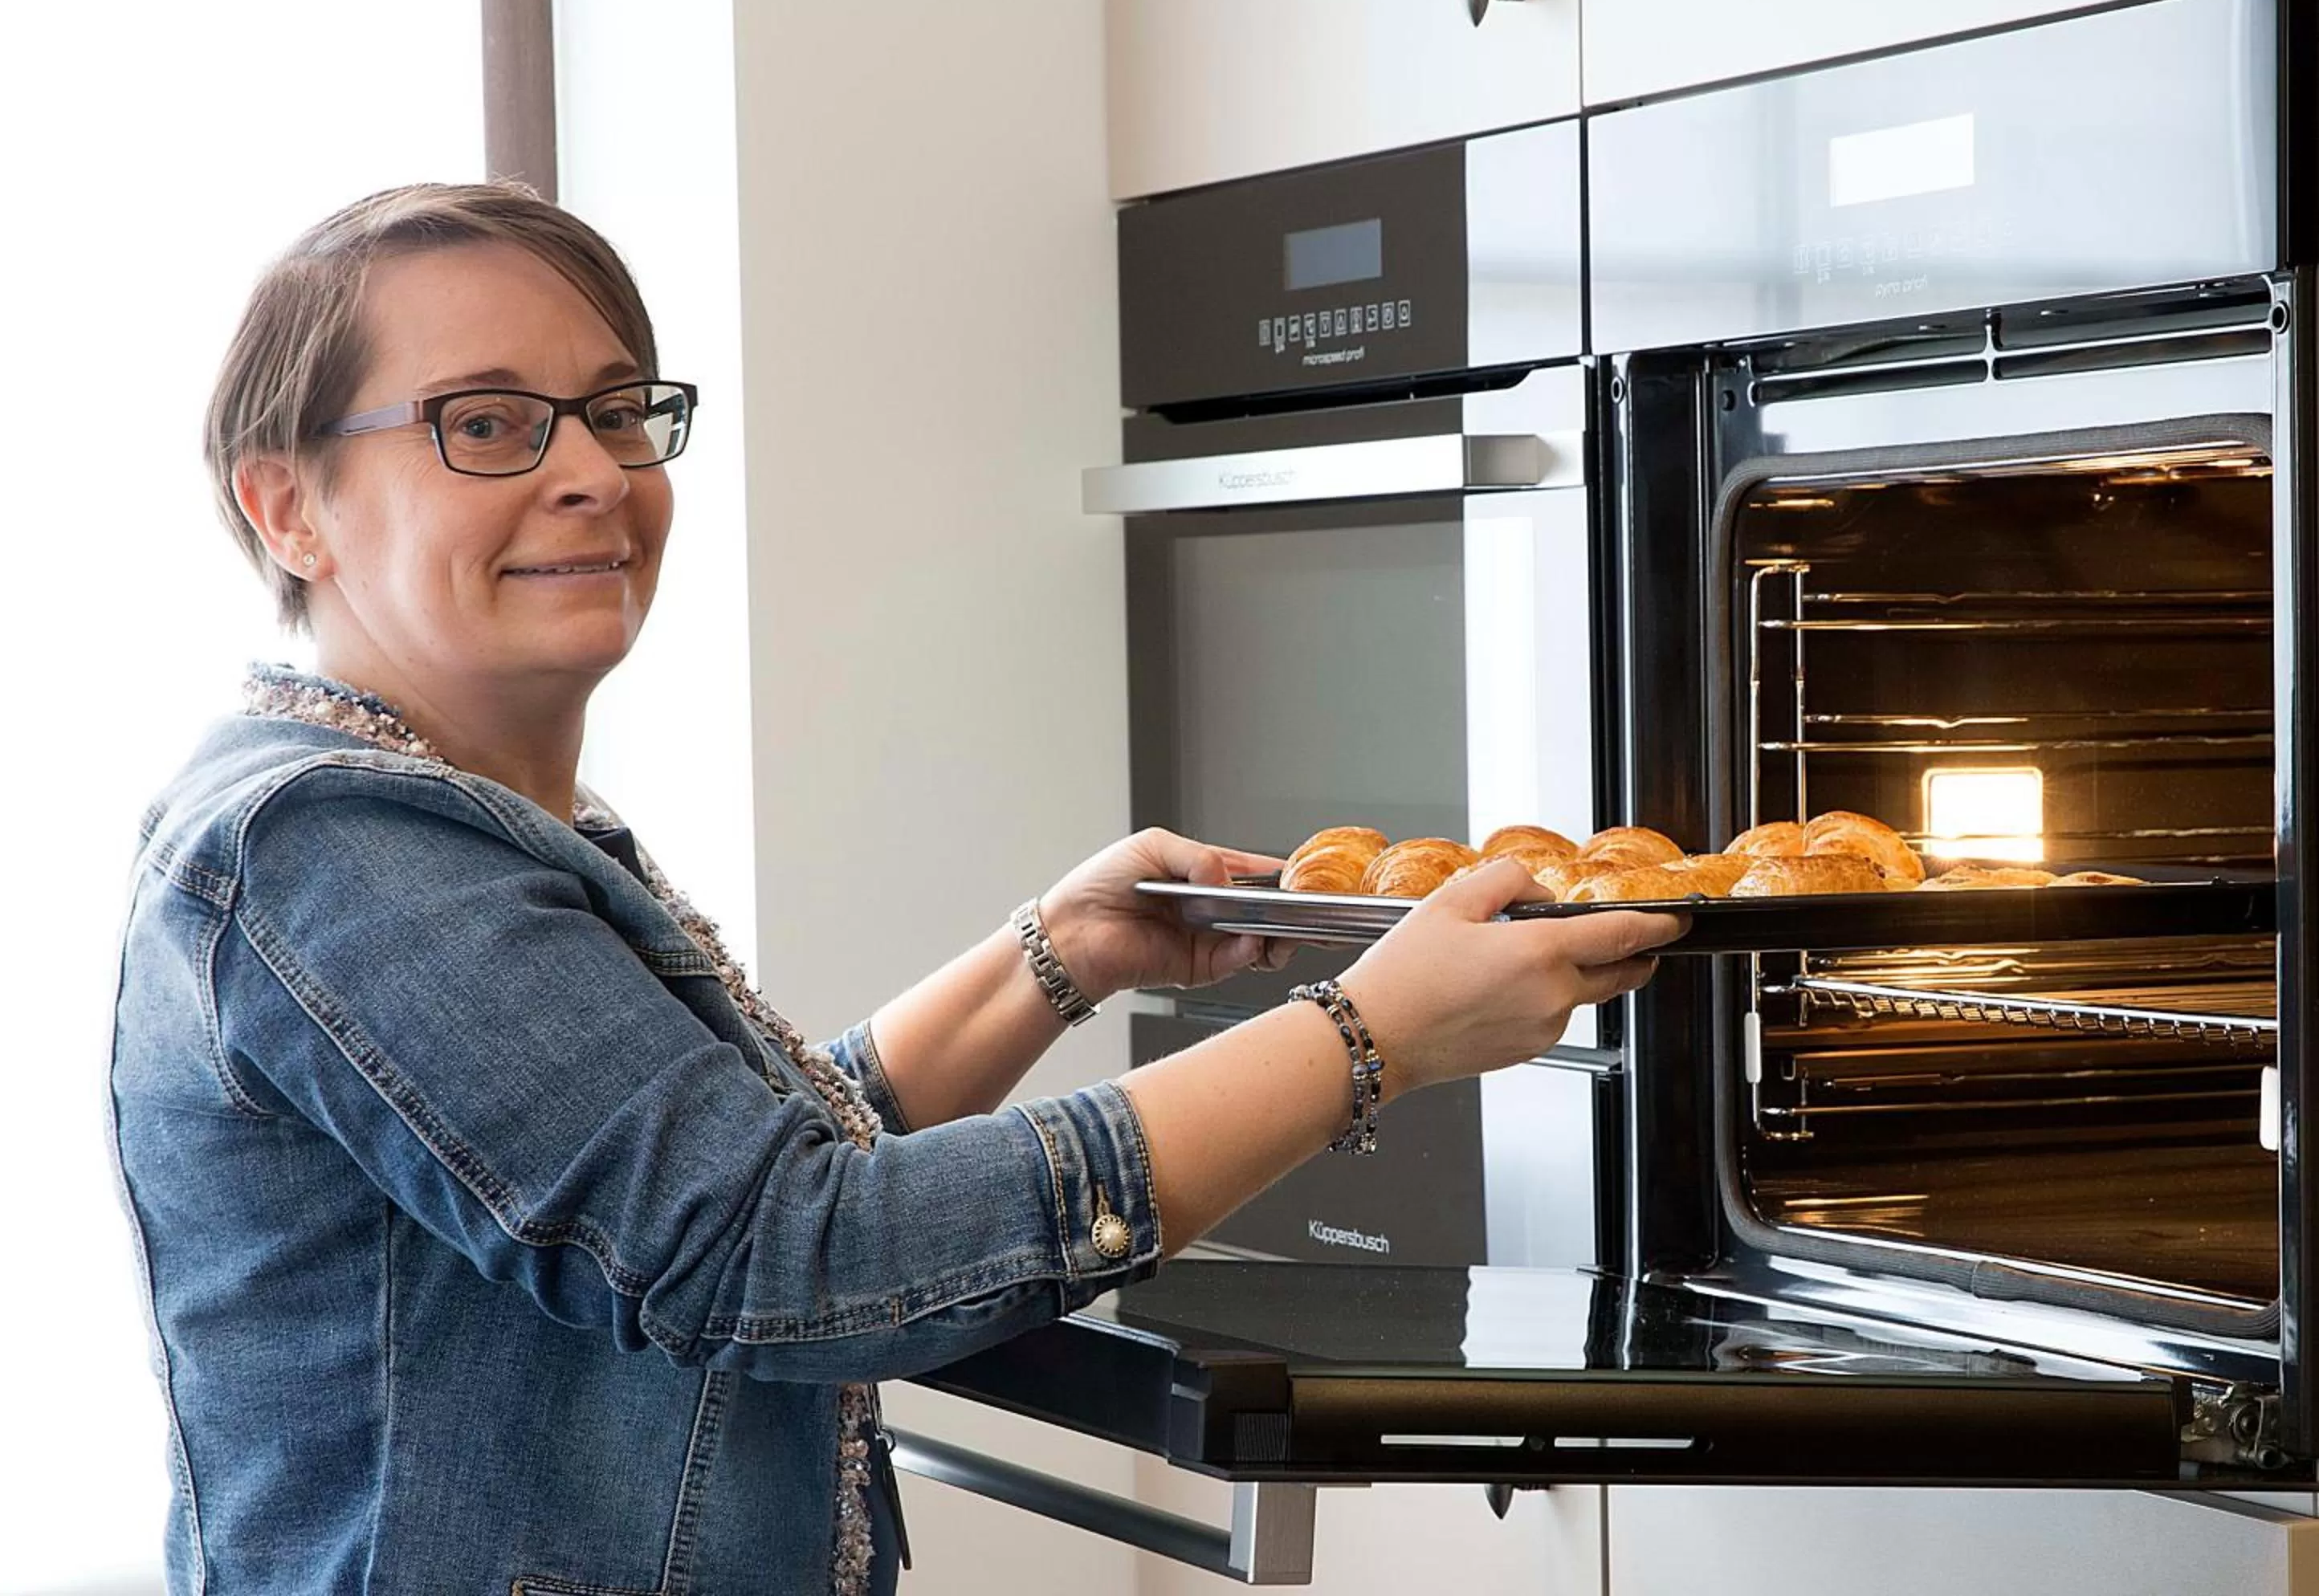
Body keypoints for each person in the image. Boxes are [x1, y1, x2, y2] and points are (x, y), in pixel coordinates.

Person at [107, 181, 1681, 1596]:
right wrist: (1367, 1034)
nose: (591, 472)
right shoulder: (334, 848)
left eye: (615, 412)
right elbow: (787, 1253)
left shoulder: (466, 813)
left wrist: (1050, 959)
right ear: (287, 505)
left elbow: (723, 1182)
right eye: (492, 423)